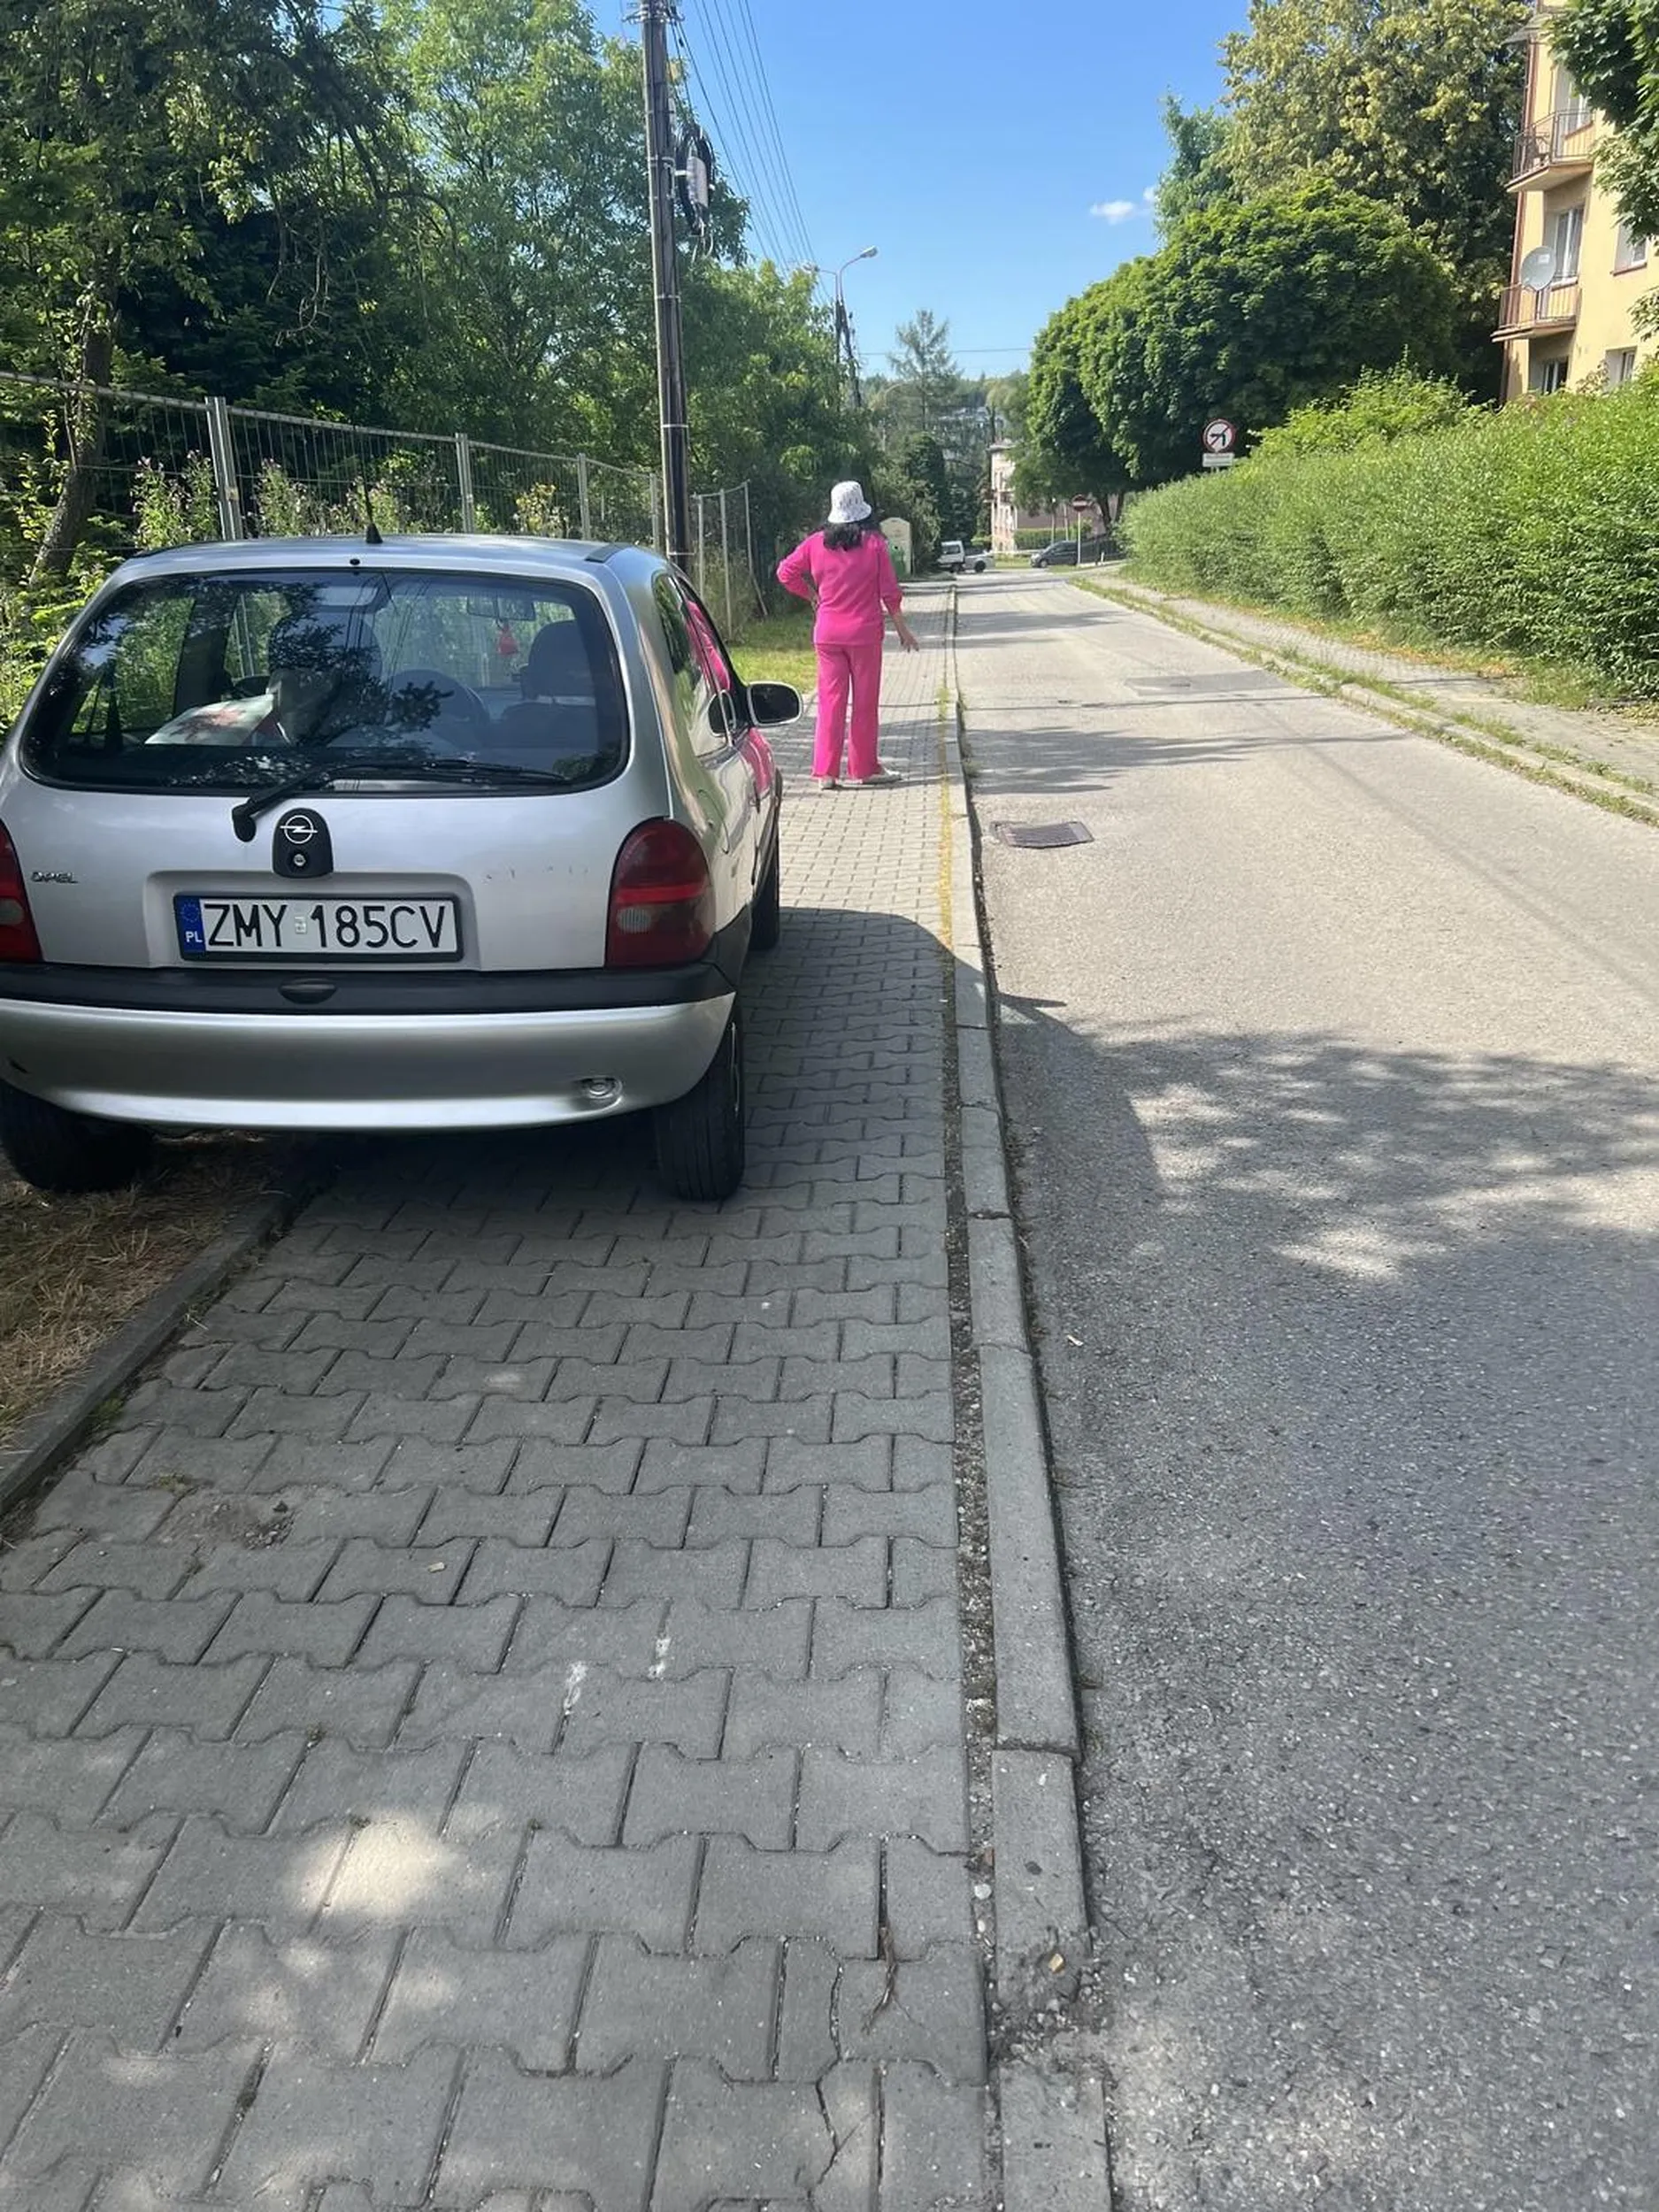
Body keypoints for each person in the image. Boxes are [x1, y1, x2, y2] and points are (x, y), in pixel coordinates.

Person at [776, 480, 918, 789]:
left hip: (827, 634)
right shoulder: (874, 545)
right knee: (865, 704)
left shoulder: (815, 544)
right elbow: (890, 593)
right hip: (865, 636)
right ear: (861, 510)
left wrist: (811, 595)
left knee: (829, 702)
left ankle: (826, 773)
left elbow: (785, 572)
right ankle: (864, 768)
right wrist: (903, 630)